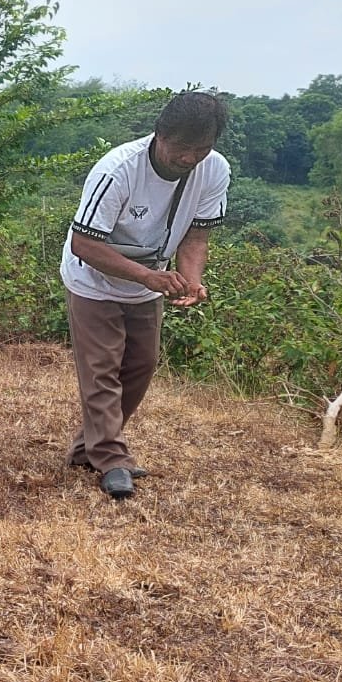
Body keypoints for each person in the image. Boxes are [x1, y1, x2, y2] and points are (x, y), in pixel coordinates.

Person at [62, 90, 229, 499]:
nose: (190, 158)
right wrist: (149, 277)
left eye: (201, 149)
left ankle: (88, 448)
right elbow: (84, 244)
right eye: (182, 148)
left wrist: (190, 279)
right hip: (93, 280)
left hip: (148, 279)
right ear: (160, 135)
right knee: (102, 367)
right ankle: (112, 458)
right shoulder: (118, 170)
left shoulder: (215, 170)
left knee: (141, 364)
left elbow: (196, 236)